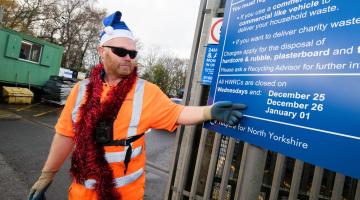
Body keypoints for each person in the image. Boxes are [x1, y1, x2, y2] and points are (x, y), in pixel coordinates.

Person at [28, 11, 246, 200]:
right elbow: (65, 135)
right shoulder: (80, 90)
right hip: (80, 195)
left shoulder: (147, 91)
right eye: (121, 52)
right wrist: (47, 176)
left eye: (132, 54)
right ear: (102, 50)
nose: (128, 58)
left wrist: (209, 111)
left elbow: (178, 112)